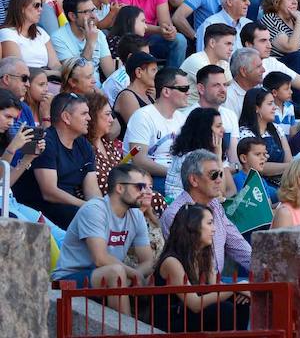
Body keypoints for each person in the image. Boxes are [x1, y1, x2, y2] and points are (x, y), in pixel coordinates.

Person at [51, 164, 154, 315]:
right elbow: (100, 259)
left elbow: (148, 261)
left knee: (154, 275)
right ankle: (126, 332)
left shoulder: (136, 215)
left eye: (147, 187)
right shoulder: (94, 209)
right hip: (70, 279)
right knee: (116, 272)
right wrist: (134, 275)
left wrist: (135, 275)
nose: (145, 192)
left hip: (103, 277)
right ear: (119, 188)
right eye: (139, 187)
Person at [154, 204, 250, 332]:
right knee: (224, 309)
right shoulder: (172, 262)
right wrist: (237, 287)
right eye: (209, 223)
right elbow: (194, 304)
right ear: (193, 227)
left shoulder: (204, 256)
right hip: (171, 320)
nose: (214, 229)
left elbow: (214, 287)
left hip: (189, 315)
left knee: (240, 302)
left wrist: (239, 291)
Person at [12, 92, 101, 229]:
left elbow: (92, 188)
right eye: (84, 114)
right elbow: (49, 193)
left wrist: (101, 209)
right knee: (88, 221)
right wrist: (86, 206)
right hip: (39, 210)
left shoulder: (83, 144)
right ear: (66, 117)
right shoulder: (45, 142)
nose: (89, 118)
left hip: (67, 207)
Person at [122, 67, 188, 192]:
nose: (188, 93)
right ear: (166, 92)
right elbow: (139, 160)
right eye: (183, 89)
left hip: (173, 177)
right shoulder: (143, 116)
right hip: (146, 178)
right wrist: (174, 174)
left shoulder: (181, 118)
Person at [52, 0, 116, 85]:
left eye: (93, 10)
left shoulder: (98, 34)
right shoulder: (58, 38)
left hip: (99, 89)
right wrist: (90, 43)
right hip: (79, 90)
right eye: (86, 12)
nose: (93, 16)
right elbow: (77, 74)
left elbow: (110, 73)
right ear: (72, 16)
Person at [0, 0, 60, 69]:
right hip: (26, 80)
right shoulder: (6, 33)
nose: (41, 9)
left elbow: (55, 64)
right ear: (21, 8)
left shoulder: (41, 32)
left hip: (50, 78)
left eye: (41, 5)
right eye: (36, 5)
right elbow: (19, 69)